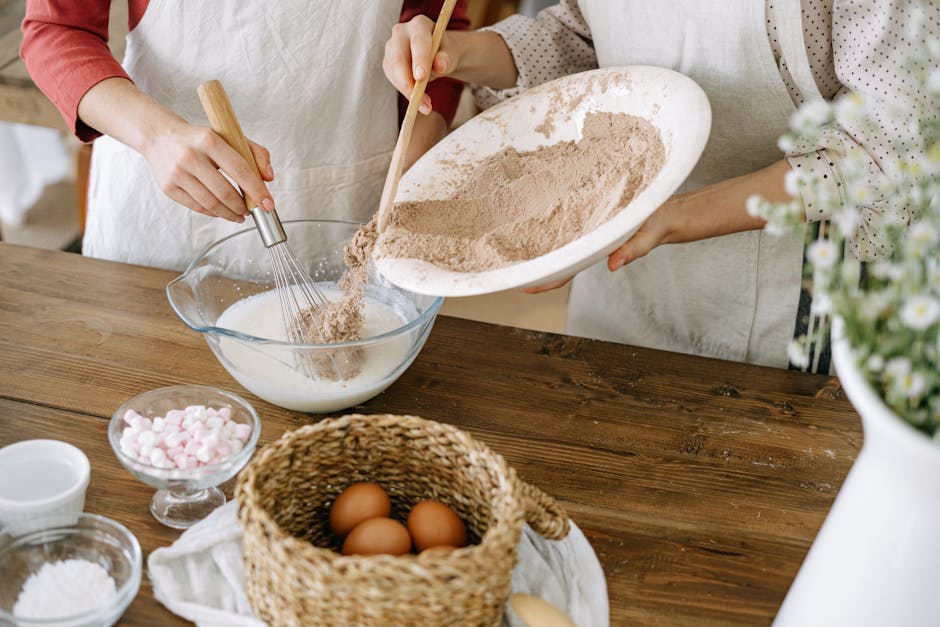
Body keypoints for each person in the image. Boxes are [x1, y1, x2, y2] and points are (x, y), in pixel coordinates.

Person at [383, 0, 935, 372]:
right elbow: (578, 36)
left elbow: (892, 139)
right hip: (624, 288)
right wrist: (457, 54)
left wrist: (680, 215)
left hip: (795, 307)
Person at [21, 1, 469, 271]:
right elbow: (56, 30)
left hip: (349, 199)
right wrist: (158, 137)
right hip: (162, 203)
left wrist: (412, 163)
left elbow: (439, 28)